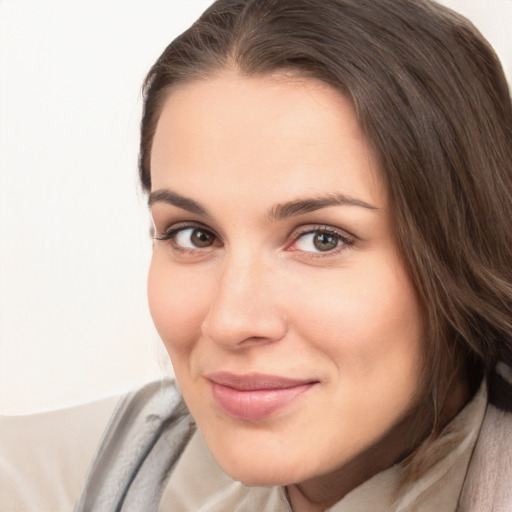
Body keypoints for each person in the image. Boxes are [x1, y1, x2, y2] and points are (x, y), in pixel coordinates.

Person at [74, 0, 512, 510]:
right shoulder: (102, 469)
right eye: (194, 235)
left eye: (321, 239)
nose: (231, 321)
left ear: (464, 247)